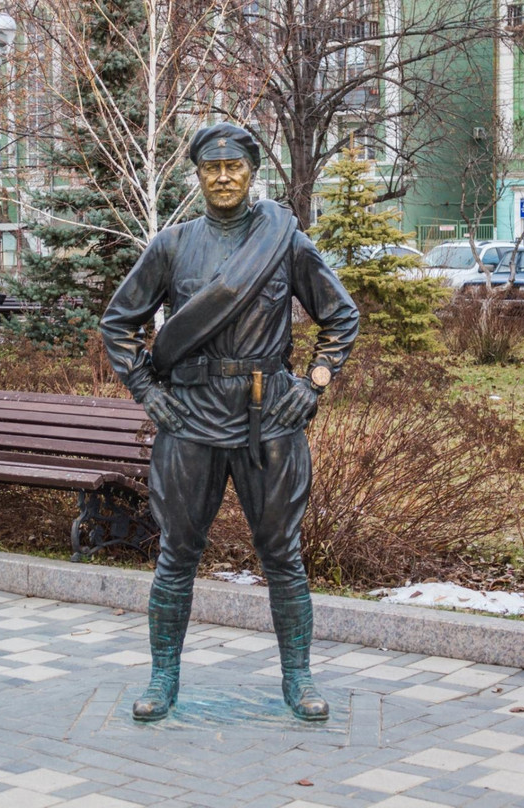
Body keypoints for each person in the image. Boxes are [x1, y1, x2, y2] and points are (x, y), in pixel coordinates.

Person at [100, 122, 359, 722]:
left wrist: (314, 382)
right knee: (176, 554)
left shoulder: (285, 241)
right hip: (188, 418)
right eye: (212, 167)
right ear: (197, 175)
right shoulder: (171, 245)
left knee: (282, 555)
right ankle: (164, 677)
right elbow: (119, 324)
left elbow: (340, 317)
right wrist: (146, 391)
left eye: (234, 166)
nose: (223, 176)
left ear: (251, 172)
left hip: (268, 419)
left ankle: (299, 678)